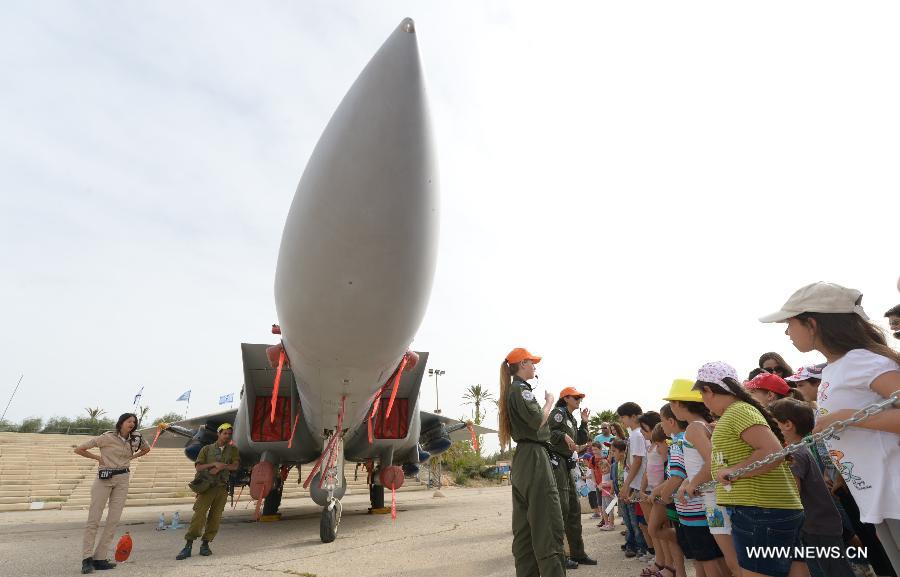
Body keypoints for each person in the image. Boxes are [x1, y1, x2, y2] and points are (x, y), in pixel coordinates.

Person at [760, 281, 900, 573]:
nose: (787, 333)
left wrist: (849, 417)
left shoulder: (864, 362)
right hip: (877, 497)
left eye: (789, 324)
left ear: (812, 323)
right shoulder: (838, 367)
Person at [692, 361, 807, 577]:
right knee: (794, 567)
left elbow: (771, 451)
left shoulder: (738, 411)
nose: (704, 403)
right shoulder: (740, 411)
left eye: (702, 395)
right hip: (772, 508)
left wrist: (733, 471)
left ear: (708, 390)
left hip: (759, 510)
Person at [498, 348, 566, 577]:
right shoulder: (521, 390)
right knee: (547, 523)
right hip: (535, 457)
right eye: (532, 362)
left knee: (525, 531)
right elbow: (538, 419)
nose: (535, 366)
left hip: (524, 458)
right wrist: (549, 402)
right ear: (522, 364)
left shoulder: (513, 389)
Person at [770, 398, 856, 577]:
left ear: (787, 425)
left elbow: (794, 492)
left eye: (771, 422)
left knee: (831, 571)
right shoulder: (799, 448)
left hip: (816, 526)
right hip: (819, 524)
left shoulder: (793, 454)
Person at [74, 412, 150, 574]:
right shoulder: (107, 437)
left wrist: (133, 457)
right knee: (93, 519)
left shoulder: (136, 439)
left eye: (134, 422)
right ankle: (86, 558)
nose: (132, 424)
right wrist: (98, 459)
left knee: (113, 520)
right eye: (129, 421)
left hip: (123, 479)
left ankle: (100, 558)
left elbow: (147, 449)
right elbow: (79, 449)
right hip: (104, 478)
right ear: (121, 422)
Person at [176, 422, 240, 560]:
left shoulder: (233, 450)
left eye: (229, 434)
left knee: (215, 519)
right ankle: (188, 545)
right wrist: (213, 464)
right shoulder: (206, 449)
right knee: (199, 516)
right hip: (207, 488)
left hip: (222, 488)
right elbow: (199, 467)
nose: (227, 436)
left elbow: (235, 466)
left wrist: (222, 467)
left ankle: (205, 544)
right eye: (225, 433)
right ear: (218, 434)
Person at [547, 386, 596, 567]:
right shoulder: (558, 413)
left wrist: (584, 422)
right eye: (575, 397)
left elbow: (581, 440)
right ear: (565, 398)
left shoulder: (571, 418)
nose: (579, 400)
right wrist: (562, 435)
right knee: (561, 509)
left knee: (574, 509)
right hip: (557, 463)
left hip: (568, 464)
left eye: (579, 397)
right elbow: (547, 432)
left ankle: (578, 553)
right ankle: (560, 556)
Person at [617, 402, 650, 560]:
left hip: (640, 483)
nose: (622, 421)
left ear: (634, 416)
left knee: (644, 521)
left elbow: (637, 460)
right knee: (641, 520)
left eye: (623, 417)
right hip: (638, 482)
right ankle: (649, 550)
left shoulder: (637, 434)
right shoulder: (635, 434)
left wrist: (626, 485)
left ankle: (648, 550)